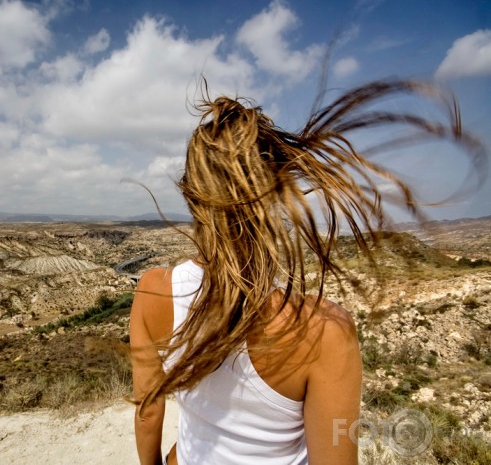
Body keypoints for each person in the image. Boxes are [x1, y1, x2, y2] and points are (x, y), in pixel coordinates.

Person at [130, 80, 484, 464]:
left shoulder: (153, 291)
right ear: (278, 194)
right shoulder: (324, 333)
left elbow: (148, 413)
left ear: (190, 195)